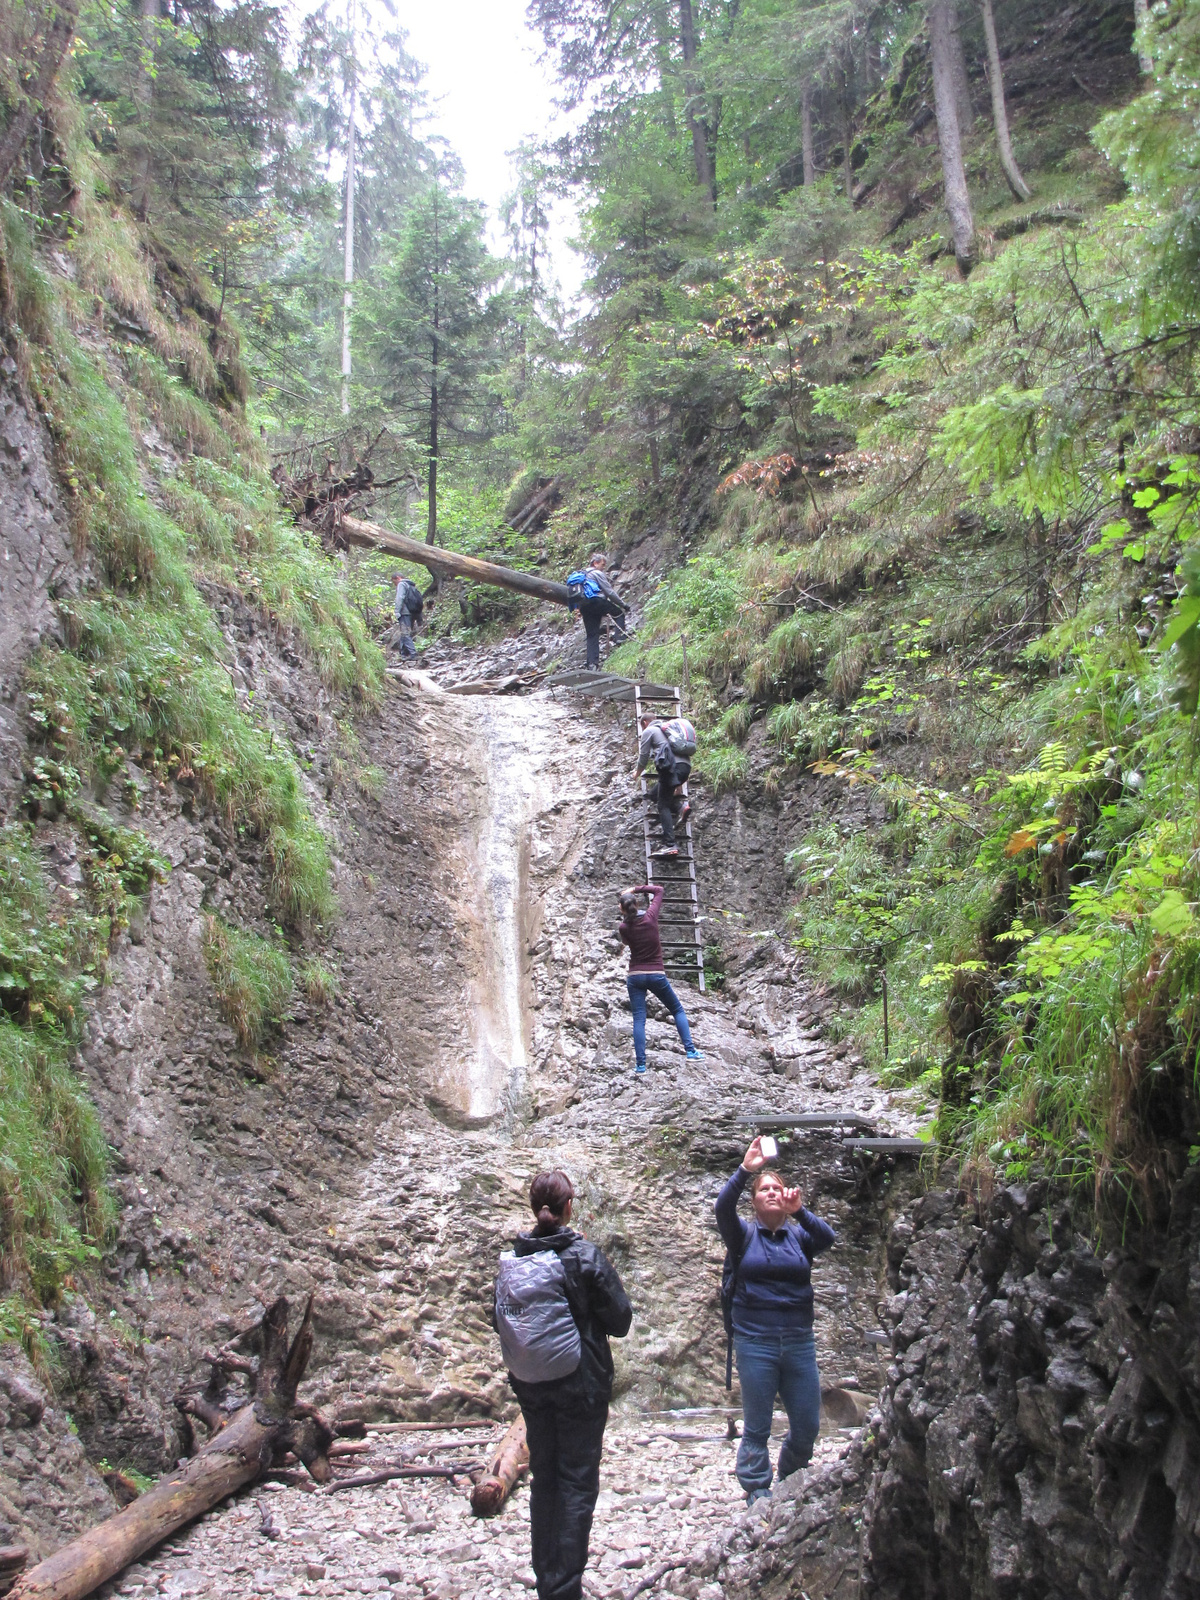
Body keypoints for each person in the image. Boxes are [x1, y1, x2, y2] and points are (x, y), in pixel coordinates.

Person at [500, 1170, 632, 1600]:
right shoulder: (584, 1254)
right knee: (576, 1482)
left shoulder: (516, 1259)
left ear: (534, 1206)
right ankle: (565, 1588)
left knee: (545, 1481)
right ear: (570, 1206)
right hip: (583, 1387)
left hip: (534, 1388)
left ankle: (547, 1583)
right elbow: (621, 1320)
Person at [715, 1136, 836, 1505]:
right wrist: (745, 1170)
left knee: (807, 1424)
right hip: (755, 1342)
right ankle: (757, 1488)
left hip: (799, 1341)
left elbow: (828, 1238)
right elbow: (722, 1207)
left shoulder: (799, 1235)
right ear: (754, 1201)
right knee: (758, 1426)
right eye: (763, 1189)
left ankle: (790, 1475)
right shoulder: (743, 1235)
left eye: (776, 1188)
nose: (770, 1192)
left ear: (785, 1196)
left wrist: (800, 1211)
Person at [616, 885, 703, 1074]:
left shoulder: (624, 928)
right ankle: (690, 1051)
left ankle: (640, 1065)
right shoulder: (650, 917)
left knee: (639, 1019)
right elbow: (659, 890)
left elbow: (626, 941)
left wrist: (625, 912)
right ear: (637, 903)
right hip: (656, 974)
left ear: (621, 909)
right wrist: (635, 888)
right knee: (677, 1009)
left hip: (635, 976)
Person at [635, 713, 691, 859]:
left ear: (645, 722)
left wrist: (637, 774)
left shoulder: (649, 731)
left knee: (662, 805)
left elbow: (644, 756)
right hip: (685, 767)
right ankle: (680, 808)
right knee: (654, 794)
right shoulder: (669, 730)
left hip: (671, 769)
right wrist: (679, 785)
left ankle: (670, 845)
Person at [568, 553, 627, 670]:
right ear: (595, 563)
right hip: (596, 601)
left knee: (592, 635)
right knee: (619, 613)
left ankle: (592, 664)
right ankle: (619, 638)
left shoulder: (582, 575)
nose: (603, 568)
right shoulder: (597, 573)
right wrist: (623, 604)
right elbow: (609, 592)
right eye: (602, 565)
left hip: (584, 606)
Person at [390, 569, 427, 662]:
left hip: (405, 612)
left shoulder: (402, 584)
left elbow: (400, 598)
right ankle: (403, 654)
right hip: (413, 612)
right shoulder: (411, 585)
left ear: (398, 578)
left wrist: (397, 611)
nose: (395, 584)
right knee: (405, 633)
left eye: (394, 582)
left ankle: (413, 654)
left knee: (405, 633)